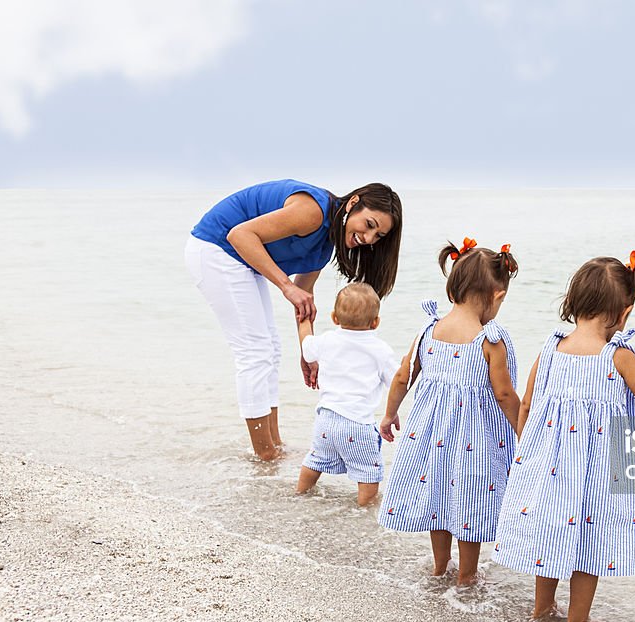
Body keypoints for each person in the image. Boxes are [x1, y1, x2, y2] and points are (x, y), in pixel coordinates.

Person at [492, 253, 635, 622]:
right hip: (597, 473)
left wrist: (526, 454)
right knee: (589, 543)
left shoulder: (551, 348)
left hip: (547, 465)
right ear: (623, 313)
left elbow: (527, 404)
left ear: (574, 302)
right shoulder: (618, 357)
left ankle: (542, 610)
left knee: (550, 532)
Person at [184, 179, 403, 461]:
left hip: (241, 260)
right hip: (215, 249)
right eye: (370, 224)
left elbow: (305, 296)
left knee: (271, 350)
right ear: (353, 203)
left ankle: (274, 445)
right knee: (255, 352)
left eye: (379, 236)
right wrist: (286, 286)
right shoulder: (314, 211)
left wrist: (307, 351)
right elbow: (240, 235)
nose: (370, 238)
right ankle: (264, 453)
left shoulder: (327, 245)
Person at [377, 239, 521, 587]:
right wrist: (525, 432)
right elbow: (503, 393)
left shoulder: (430, 329)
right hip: (476, 440)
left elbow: (403, 375)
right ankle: (467, 577)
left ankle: (440, 567)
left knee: (438, 496)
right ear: (498, 295)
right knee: (469, 500)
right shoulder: (490, 339)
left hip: (431, 437)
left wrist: (389, 414)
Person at [295, 283, 399, 505]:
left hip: (326, 421)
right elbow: (397, 382)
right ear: (376, 322)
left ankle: (299, 494)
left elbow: (306, 346)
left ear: (334, 318)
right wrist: (393, 412)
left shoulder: (326, 340)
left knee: (315, 460)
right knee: (368, 473)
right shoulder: (380, 349)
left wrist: (304, 320)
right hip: (357, 425)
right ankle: (364, 511)